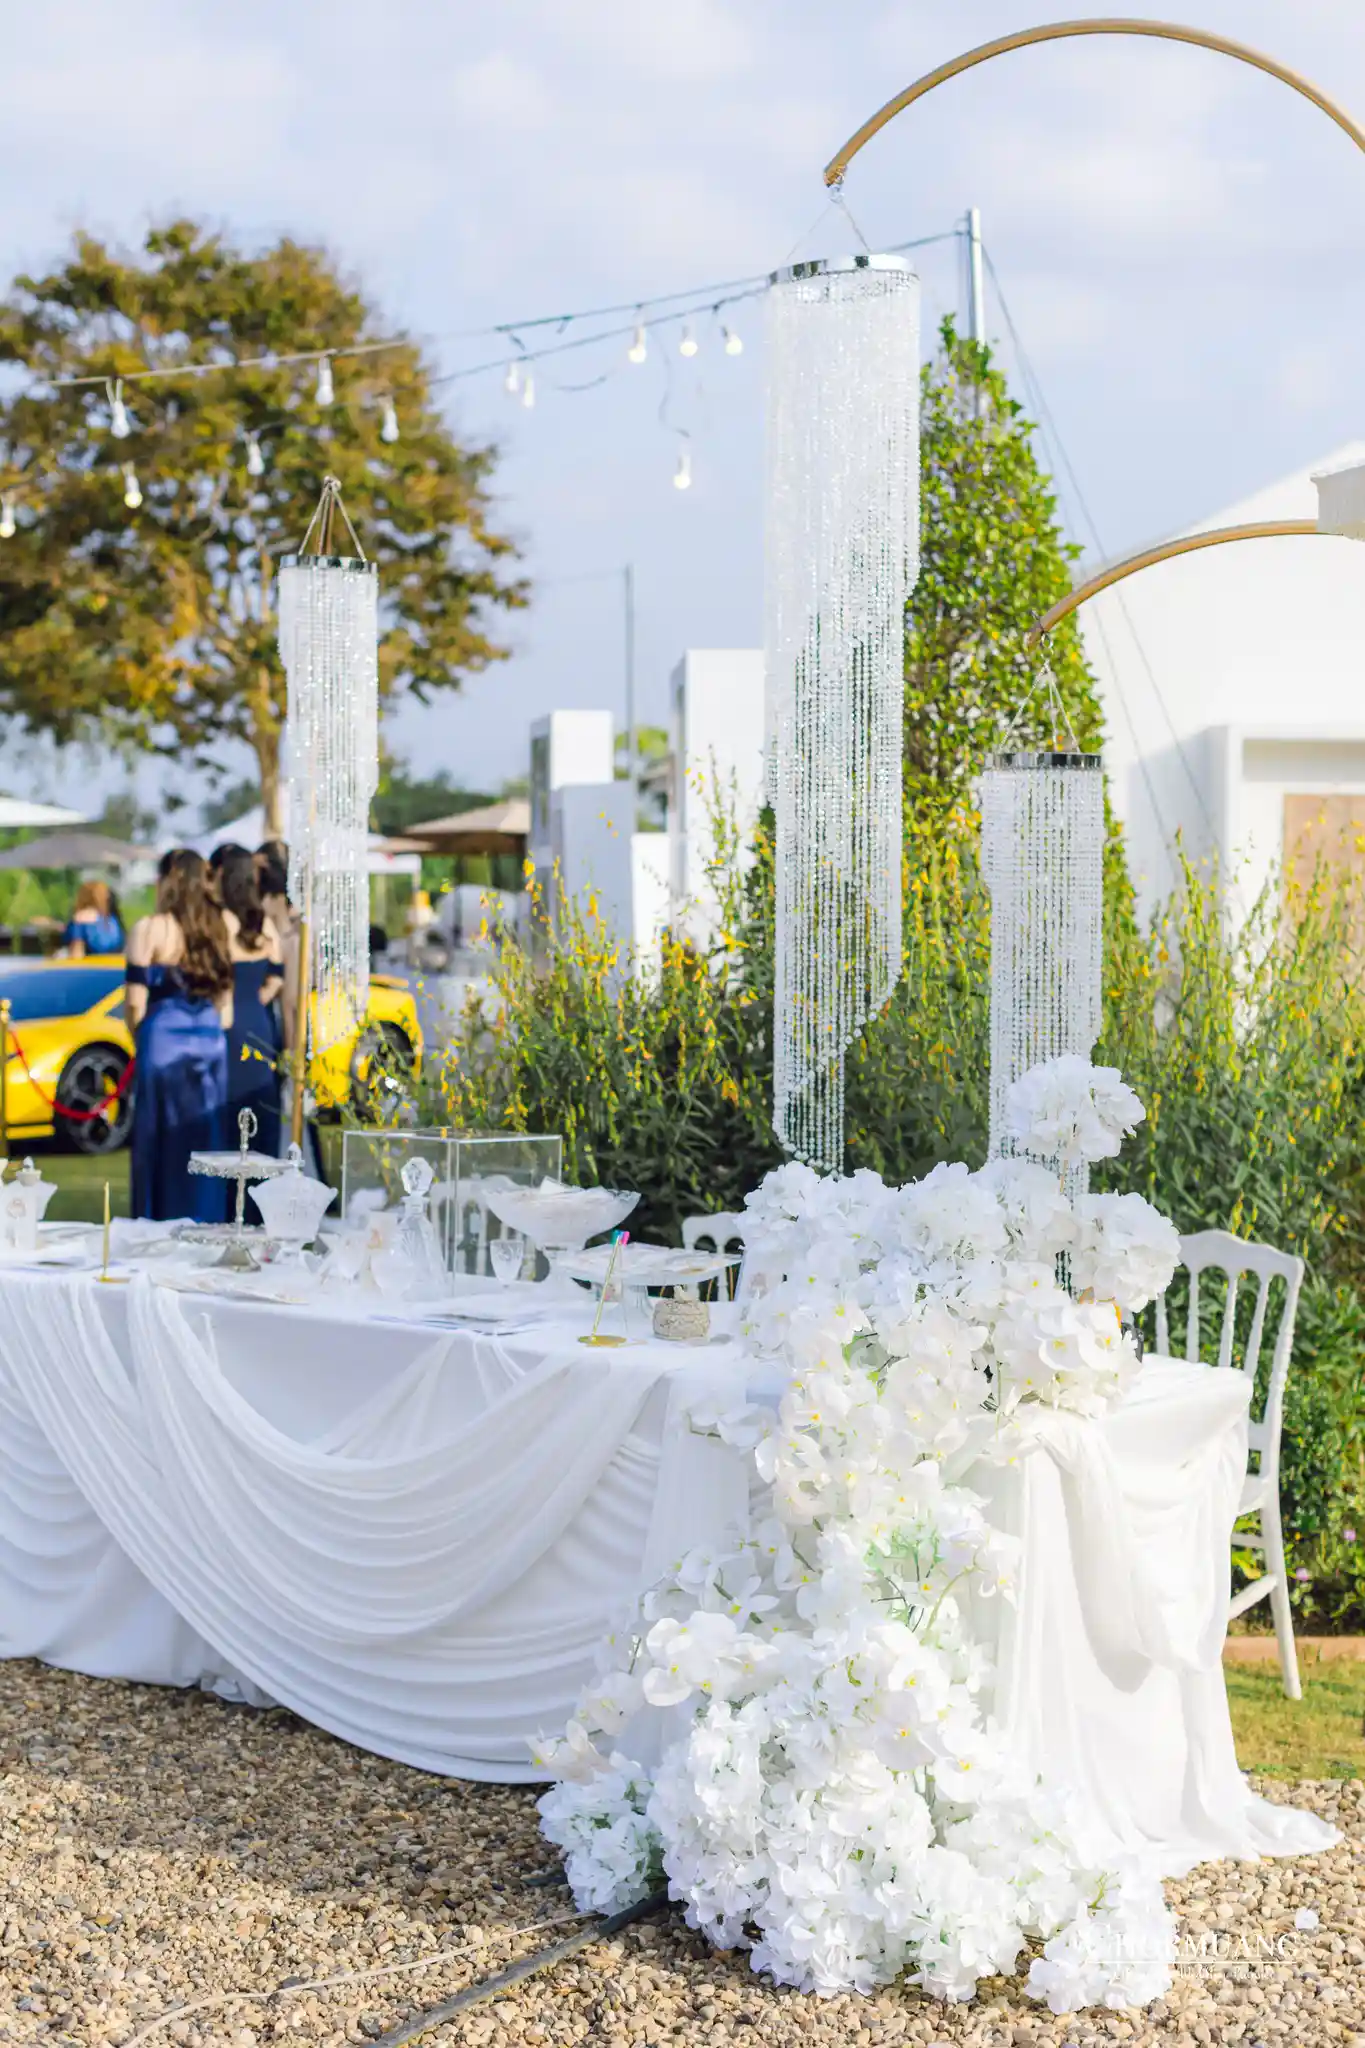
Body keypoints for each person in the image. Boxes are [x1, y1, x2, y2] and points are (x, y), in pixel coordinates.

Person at [125, 849, 233, 1222]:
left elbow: (134, 1002)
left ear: (166, 881)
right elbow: (226, 1010)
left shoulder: (149, 928)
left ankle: (158, 1221)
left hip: (162, 1041)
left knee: (160, 1141)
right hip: (210, 1041)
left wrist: (140, 1035)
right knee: (206, 1139)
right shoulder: (220, 926)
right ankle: (206, 1219)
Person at [216, 847, 284, 1155]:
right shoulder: (264, 923)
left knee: (228, 1109)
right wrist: (258, 996)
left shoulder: (220, 922)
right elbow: (277, 976)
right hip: (258, 1020)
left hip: (227, 1020)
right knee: (260, 1103)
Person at [60, 879, 123, 958]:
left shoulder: (80, 920)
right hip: (116, 963)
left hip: (91, 964)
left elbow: (76, 954)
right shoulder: (113, 920)